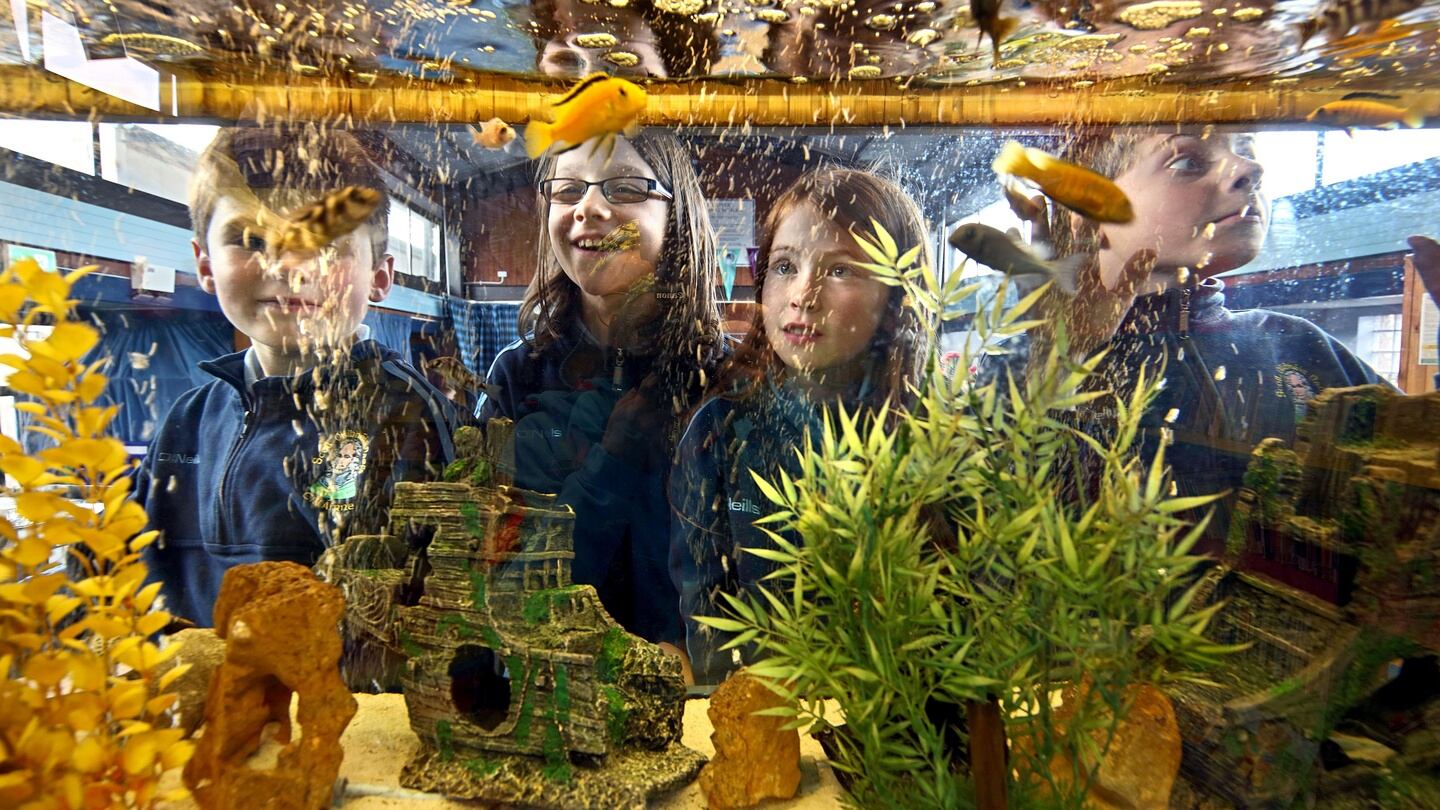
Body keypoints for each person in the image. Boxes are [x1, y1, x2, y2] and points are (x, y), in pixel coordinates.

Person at [138, 126, 457, 628]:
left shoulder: (408, 417)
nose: (288, 265)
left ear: (380, 275)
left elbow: (443, 599)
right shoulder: (188, 420)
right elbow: (135, 569)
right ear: (204, 264)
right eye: (251, 239)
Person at [1026, 129, 1389, 555]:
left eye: (1248, 152)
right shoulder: (1049, 357)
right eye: (1186, 162)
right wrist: (1056, 357)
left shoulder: (1301, 344)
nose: (1251, 170)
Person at [670, 168, 929, 684]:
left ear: (897, 296)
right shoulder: (720, 429)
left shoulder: (931, 436)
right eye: (785, 265)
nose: (803, 294)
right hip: (767, 711)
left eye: (840, 271)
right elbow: (707, 615)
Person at [474, 130, 724, 662]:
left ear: (675, 217)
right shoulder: (519, 377)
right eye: (567, 191)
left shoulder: (726, 377)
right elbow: (497, 573)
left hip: (704, 701)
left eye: (626, 186)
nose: (588, 207)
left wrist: (706, 658)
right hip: (550, 686)